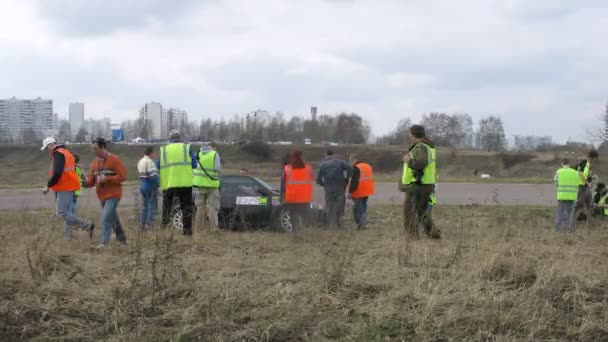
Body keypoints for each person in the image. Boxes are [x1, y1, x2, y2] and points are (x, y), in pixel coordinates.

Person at [41, 137, 94, 240]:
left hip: (65, 187)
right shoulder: (65, 151)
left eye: (47, 148)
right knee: (68, 214)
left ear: (51, 145)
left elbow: (57, 173)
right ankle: (67, 237)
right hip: (69, 186)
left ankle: (87, 225)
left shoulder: (58, 154)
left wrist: (48, 185)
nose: (47, 150)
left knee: (61, 213)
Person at [84, 138, 127, 247]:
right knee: (112, 218)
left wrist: (107, 179)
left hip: (113, 195)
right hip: (102, 196)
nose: (94, 151)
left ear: (103, 147)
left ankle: (103, 244)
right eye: (92, 149)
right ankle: (121, 238)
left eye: (96, 149)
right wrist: (84, 183)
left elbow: (123, 177)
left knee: (106, 218)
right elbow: (91, 182)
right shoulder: (94, 163)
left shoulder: (114, 159)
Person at [399, 125, 440, 238]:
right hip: (425, 183)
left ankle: (412, 236)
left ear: (413, 135)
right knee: (422, 212)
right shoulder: (428, 147)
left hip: (418, 184)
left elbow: (420, 163)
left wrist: (408, 160)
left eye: (410, 134)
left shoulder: (420, 147)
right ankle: (433, 233)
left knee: (409, 212)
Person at [160, 130, 197, 236]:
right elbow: (195, 165)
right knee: (186, 207)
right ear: (180, 138)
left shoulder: (164, 150)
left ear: (170, 138)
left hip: (169, 183)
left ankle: (164, 230)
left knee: (166, 207)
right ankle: (187, 231)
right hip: (184, 183)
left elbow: (157, 165)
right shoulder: (187, 148)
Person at [317, 150, 351, 227]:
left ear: (326, 155)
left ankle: (331, 223)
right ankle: (339, 222)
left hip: (329, 188)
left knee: (330, 205)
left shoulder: (323, 165)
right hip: (340, 187)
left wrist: (324, 184)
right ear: (333, 155)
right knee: (340, 204)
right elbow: (350, 168)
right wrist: (346, 179)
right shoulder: (340, 162)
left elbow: (318, 179)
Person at [282, 150, 314, 229]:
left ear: (292, 158)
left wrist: (282, 196)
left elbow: (283, 183)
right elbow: (312, 179)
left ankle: (295, 231)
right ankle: (306, 230)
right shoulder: (308, 168)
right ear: (302, 157)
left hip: (291, 197)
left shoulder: (287, 169)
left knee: (293, 216)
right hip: (304, 197)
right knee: (305, 216)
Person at [193, 142, 221, 231]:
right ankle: (214, 229)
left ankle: (198, 228)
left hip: (200, 184)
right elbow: (217, 168)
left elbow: (193, 167)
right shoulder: (214, 154)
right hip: (212, 184)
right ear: (211, 147)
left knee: (200, 207)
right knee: (212, 207)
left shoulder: (197, 153)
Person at [348, 154, 374, 229]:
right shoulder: (368, 166)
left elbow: (354, 182)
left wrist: (350, 191)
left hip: (358, 191)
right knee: (364, 206)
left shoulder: (355, 167)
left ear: (354, 160)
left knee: (357, 208)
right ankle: (363, 222)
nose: (350, 163)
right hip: (367, 190)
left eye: (350, 161)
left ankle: (360, 224)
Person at [554, 159, 580, 232]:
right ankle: (569, 229)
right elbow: (578, 184)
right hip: (572, 196)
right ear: (569, 164)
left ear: (562, 164)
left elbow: (556, 182)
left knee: (560, 212)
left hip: (562, 196)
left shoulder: (559, 171)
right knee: (570, 213)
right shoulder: (575, 173)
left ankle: (558, 229)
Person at [137, 146, 159, 230]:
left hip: (142, 184)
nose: (155, 154)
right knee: (152, 206)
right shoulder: (149, 162)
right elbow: (153, 176)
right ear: (151, 153)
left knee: (144, 205)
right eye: (154, 152)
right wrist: (158, 184)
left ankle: (141, 224)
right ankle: (149, 224)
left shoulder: (140, 161)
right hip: (150, 185)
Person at [575, 149, 599, 221]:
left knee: (589, 202)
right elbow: (580, 173)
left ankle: (588, 217)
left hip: (585, 186)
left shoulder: (588, 164)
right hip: (582, 186)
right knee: (580, 203)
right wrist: (587, 183)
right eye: (595, 158)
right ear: (593, 156)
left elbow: (586, 175)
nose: (595, 160)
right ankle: (571, 216)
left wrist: (592, 178)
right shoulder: (585, 162)